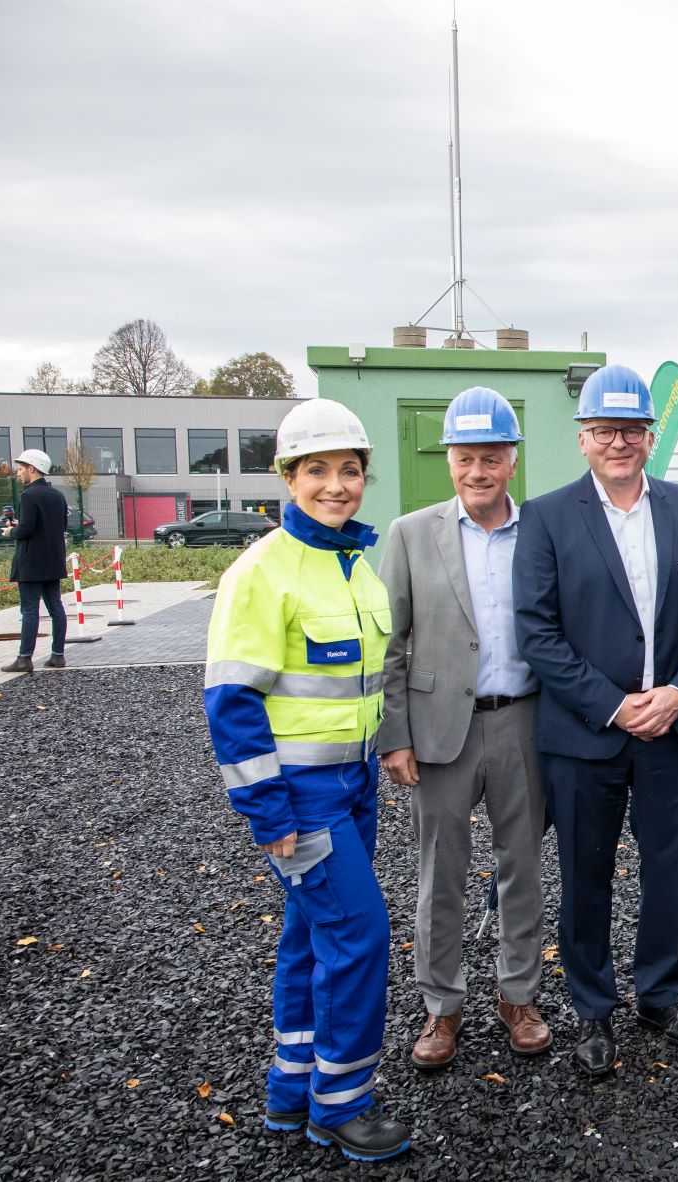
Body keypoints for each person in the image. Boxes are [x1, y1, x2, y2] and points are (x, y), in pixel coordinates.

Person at [202, 399, 411, 1162]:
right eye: (316, 470)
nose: (335, 485)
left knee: (312, 935)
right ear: (287, 478)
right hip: (301, 795)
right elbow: (231, 701)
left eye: (348, 470)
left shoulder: (353, 562)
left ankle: (292, 1089)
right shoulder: (261, 570)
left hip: (352, 786)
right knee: (360, 935)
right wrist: (267, 811)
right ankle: (341, 1103)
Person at [513, 365, 678, 1080]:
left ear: (649, 435)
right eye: (604, 430)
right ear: (582, 439)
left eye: (631, 430)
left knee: (669, 870)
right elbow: (537, 632)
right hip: (585, 735)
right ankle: (593, 1010)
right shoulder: (546, 517)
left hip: (674, 727)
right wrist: (612, 704)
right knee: (586, 875)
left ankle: (660, 999)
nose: (618, 442)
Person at [378, 388, 551, 1070]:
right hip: (439, 731)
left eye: (490, 458)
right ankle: (441, 1007)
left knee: (523, 870)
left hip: (524, 723)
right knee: (438, 875)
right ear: (448, 460)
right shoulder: (410, 534)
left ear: (512, 461)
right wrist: (394, 734)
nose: (477, 471)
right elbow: (389, 644)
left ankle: (519, 997)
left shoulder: (542, 532)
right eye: (464, 458)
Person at [0, 449, 69, 674]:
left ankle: (24, 659)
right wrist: (23, 524)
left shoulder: (28, 495)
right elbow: (58, 527)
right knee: (56, 607)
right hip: (54, 561)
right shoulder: (58, 495)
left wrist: (11, 531)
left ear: (32, 468)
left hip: (31, 563)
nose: (18, 473)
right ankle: (58, 655)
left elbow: (27, 530)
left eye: (21, 469)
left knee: (29, 610)